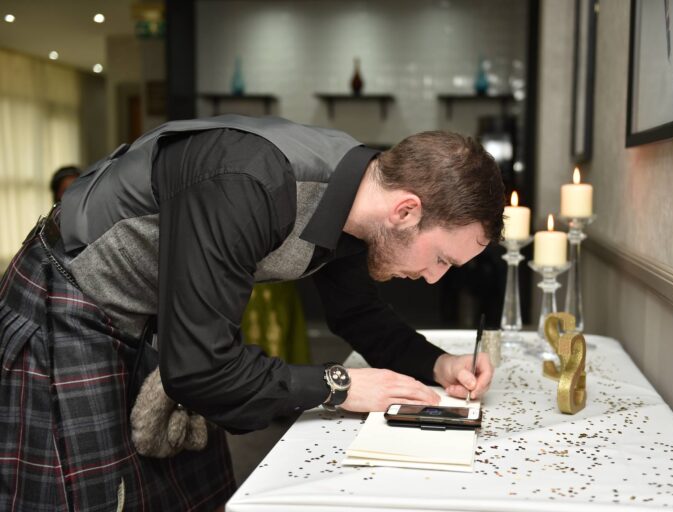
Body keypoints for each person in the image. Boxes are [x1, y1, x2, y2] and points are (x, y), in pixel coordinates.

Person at [0, 115, 505, 511]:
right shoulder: (248, 182)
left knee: (192, 496)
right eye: (441, 258)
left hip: (165, 325)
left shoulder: (361, 200)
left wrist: (439, 364)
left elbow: (357, 312)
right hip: (73, 303)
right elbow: (200, 370)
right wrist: (341, 386)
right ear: (406, 211)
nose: (436, 277)